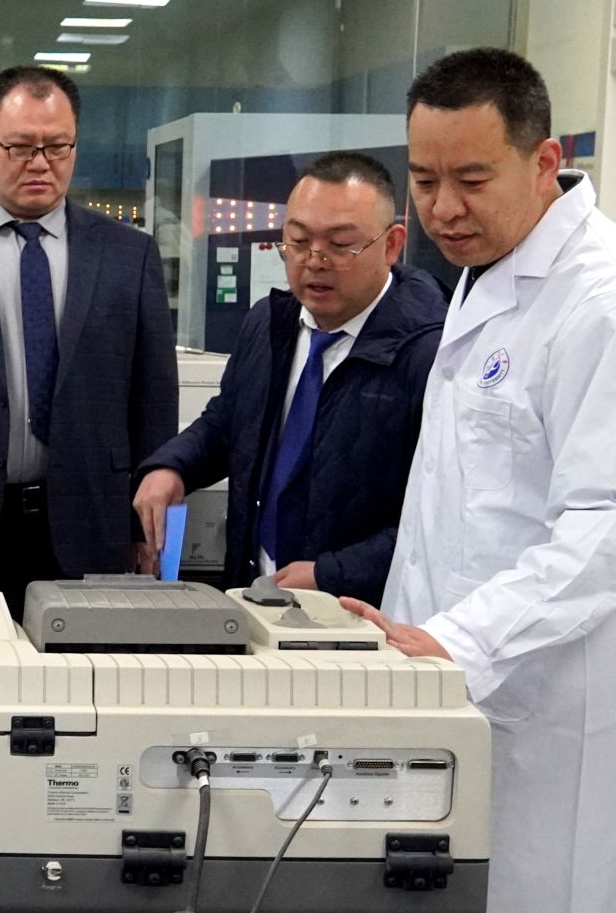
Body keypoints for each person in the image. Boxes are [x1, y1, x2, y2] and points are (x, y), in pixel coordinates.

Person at [338, 48, 616, 913]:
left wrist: (457, 639)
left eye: (470, 178)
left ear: (545, 162)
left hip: (541, 709)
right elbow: (460, 503)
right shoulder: (484, 273)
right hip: (445, 687)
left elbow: (610, 530)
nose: (443, 207)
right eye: (423, 180)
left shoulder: (611, 300)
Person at [132, 152, 446, 602]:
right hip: (254, 594)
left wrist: (331, 575)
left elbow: (440, 522)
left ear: (392, 244)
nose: (314, 261)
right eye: (297, 241)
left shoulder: (431, 354)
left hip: (362, 613)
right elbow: (229, 423)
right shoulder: (269, 323)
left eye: (340, 245)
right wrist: (173, 466)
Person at [0, 66, 178, 616]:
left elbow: (153, 402)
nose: (40, 163)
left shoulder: (127, 255)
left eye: (58, 147)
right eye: (20, 147)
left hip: (91, 522)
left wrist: (147, 531)